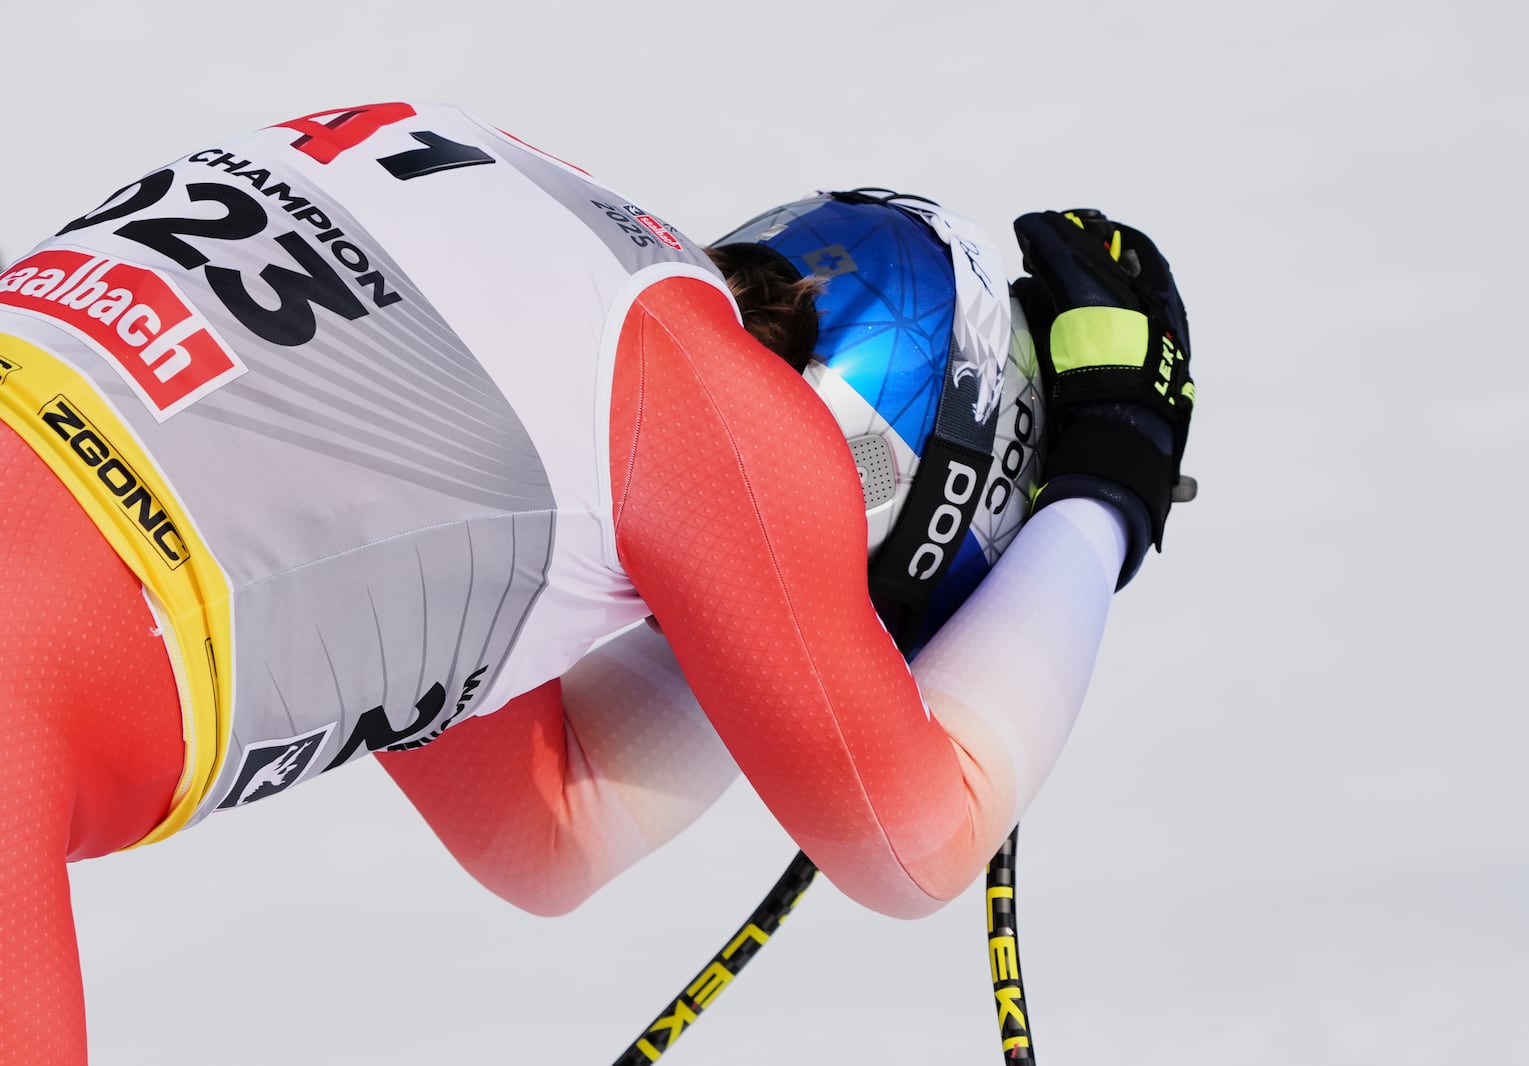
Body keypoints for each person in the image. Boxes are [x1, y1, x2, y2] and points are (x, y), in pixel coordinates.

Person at [0, 101, 1195, 1063]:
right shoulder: (724, 420)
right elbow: (911, 843)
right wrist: (1107, 486)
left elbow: (545, 821)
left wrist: (764, 622)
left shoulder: (515, 233)